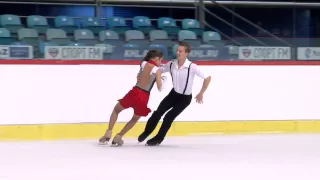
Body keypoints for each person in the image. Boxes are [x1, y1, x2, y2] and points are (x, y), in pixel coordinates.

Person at [137, 41, 212, 146]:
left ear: (186, 53)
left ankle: (159, 138)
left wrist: (201, 93)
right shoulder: (171, 64)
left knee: (168, 117)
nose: (177, 52)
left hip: (185, 99)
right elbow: (157, 70)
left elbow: (207, 78)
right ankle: (146, 132)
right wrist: (146, 67)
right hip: (173, 94)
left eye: (180, 51)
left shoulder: (192, 67)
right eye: (177, 50)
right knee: (158, 112)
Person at [98, 50, 167, 146]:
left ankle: (108, 132)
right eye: (160, 60)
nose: (161, 63)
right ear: (156, 58)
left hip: (134, 92)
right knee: (134, 119)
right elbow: (160, 88)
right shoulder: (157, 70)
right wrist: (164, 80)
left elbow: (142, 75)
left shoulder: (143, 63)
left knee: (116, 110)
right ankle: (119, 136)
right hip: (144, 97)